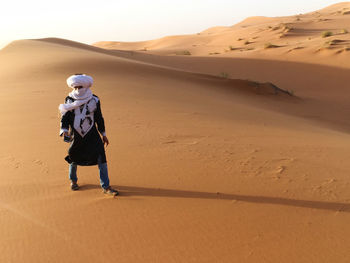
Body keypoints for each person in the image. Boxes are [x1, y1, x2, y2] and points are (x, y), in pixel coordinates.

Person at [58, 74, 118, 196]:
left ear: (85, 86)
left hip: (92, 134)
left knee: (101, 157)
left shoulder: (94, 99)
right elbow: (65, 116)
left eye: (80, 87)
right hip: (76, 134)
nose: (77, 90)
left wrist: (104, 134)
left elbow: (99, 118)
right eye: (75, 87)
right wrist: (64, 130)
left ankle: (106, 186)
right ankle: (73, 181)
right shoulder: (69, 99)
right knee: (73, 156)